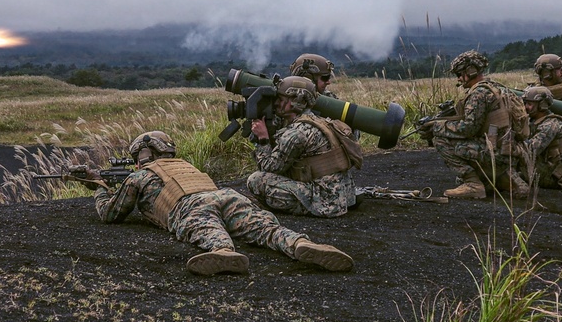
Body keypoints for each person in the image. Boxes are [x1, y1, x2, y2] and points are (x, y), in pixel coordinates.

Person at [89, 130, 354, 275]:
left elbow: (110, 214)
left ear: (142, 155)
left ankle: (224, 253)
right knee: (264, 228)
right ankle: (300, 243)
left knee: (208, 229)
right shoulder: (185, 165)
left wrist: (98, 188)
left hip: (190, 204)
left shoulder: (140, 176)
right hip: (226, 195)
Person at [419, 50, 530, 199]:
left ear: (470, 71)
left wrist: (436, 127)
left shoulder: (478, 94)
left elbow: (468, 128)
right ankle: (502, 178)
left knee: (440, 139)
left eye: (460, 74)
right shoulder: (497, 88)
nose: (459, 79)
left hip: (494, 153)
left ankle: (473, 184)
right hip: (508, 151)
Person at [247, 75, 360, 217]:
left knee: (257, 180)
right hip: (341, 198)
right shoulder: (318, 121)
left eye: (281, 100)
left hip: (325, 203)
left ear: (296, 101)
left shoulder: (297, 133)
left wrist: (262, 138)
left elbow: (269, 168)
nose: (276, 103)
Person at [521, 86, 562, 189]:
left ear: (542, 105)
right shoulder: (539, 120)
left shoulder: (550, 124)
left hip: (561, 176)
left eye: (529, 104)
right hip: (557, 169)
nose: (526, 107)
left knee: (517, 169)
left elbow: (530, 151)